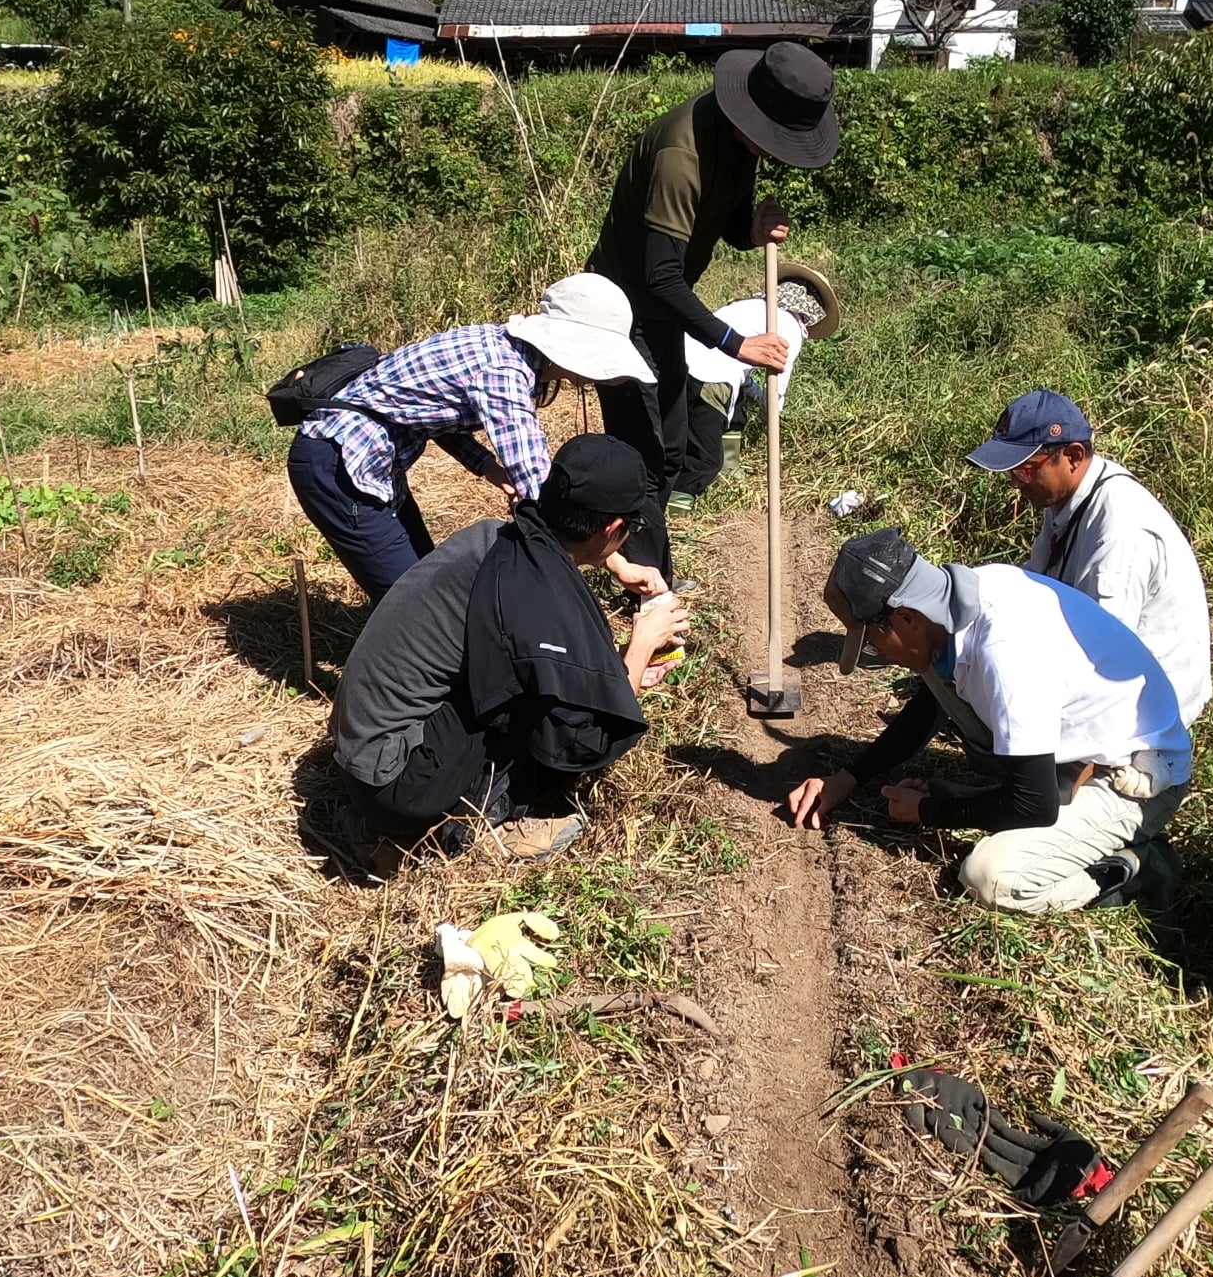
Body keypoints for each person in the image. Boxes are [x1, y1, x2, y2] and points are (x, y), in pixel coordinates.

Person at [327, 435, 691, 877]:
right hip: (397, 781)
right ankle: (467, 828)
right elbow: (585, 737)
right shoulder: (533, 593)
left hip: (362, 750)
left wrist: (614, 663)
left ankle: (393, 822)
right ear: (613, 529)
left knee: (522, 683)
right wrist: (639, 649)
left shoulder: (497, 539)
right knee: (537, 712)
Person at [787, 528, 1193, 914]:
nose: (882, 655)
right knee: (931, 669)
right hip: (1079, 756)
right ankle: (1061, 799)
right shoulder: (960, 603)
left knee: (991, 877)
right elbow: (930, 706)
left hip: (1137, 778)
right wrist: (848, 777)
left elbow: (1034, 804)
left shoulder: (1004, 652)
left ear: (906, 618)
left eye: (875, 641)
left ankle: (1134, 869)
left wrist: (928, 811)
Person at [585, 42, 841, 580]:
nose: (773, 153)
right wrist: (735, 343)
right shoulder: (683, 155)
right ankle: (653, 587)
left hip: (662, 316)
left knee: (672, 449)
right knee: (644, 458)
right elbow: (661, 275)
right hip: (621, 315)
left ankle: (643, 562)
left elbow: (722, 220)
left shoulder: (739, 142)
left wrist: (749, 231)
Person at [287, 273, 664, 603]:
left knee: (421, 577)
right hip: (339, 464)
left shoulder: (501, 347)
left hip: (368, 461)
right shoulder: (504, 373)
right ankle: (405, 672)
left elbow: (429, 413)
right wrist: (617, 562)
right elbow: (544, 492)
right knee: (413, 603)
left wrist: (490, 469)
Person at [966, 390, 1213, 726]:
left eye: (1023, 471)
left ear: (1072, 456)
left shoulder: (1120, 530)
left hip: (1146, 707)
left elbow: (1103, 655)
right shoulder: (1067, 500)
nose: (1014, 484)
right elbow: (1029, 588)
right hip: (1103, 664)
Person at [674, 263, 841, 499]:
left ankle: (730, 468)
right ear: (811, 313)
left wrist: (756, 395)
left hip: (679, 362)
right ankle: (679, 505)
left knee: (732, 412)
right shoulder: (791, 328)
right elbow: (778, 380)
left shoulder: (748, 307)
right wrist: (771, 410)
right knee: (704, 459)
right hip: (711, 377)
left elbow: (741, 367)